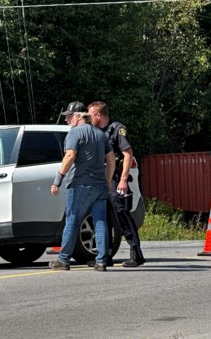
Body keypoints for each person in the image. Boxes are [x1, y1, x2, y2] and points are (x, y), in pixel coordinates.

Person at [49, 101, 116, 271]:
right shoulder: (100, 134)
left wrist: (58, 179)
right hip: (99, 186)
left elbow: (70, 155)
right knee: (100, 223)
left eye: (69, 117)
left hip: (80, 185)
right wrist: (107, 181)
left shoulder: (75, 133)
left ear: (78, 117)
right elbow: (111, 159)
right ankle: (101, 261)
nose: (67, 120)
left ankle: (63, 260)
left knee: (72, 221)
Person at [87, 101, 145, 268]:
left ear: (98, 115)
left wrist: (123, 180)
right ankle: (105, 256)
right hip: (103, 179)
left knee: (122, 214)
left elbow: (127, 154)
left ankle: (136, 254)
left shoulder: (117, 129)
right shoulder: (97, 131)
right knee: (104, 218)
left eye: (91, 115)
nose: (90, 119)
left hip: (116, 178)